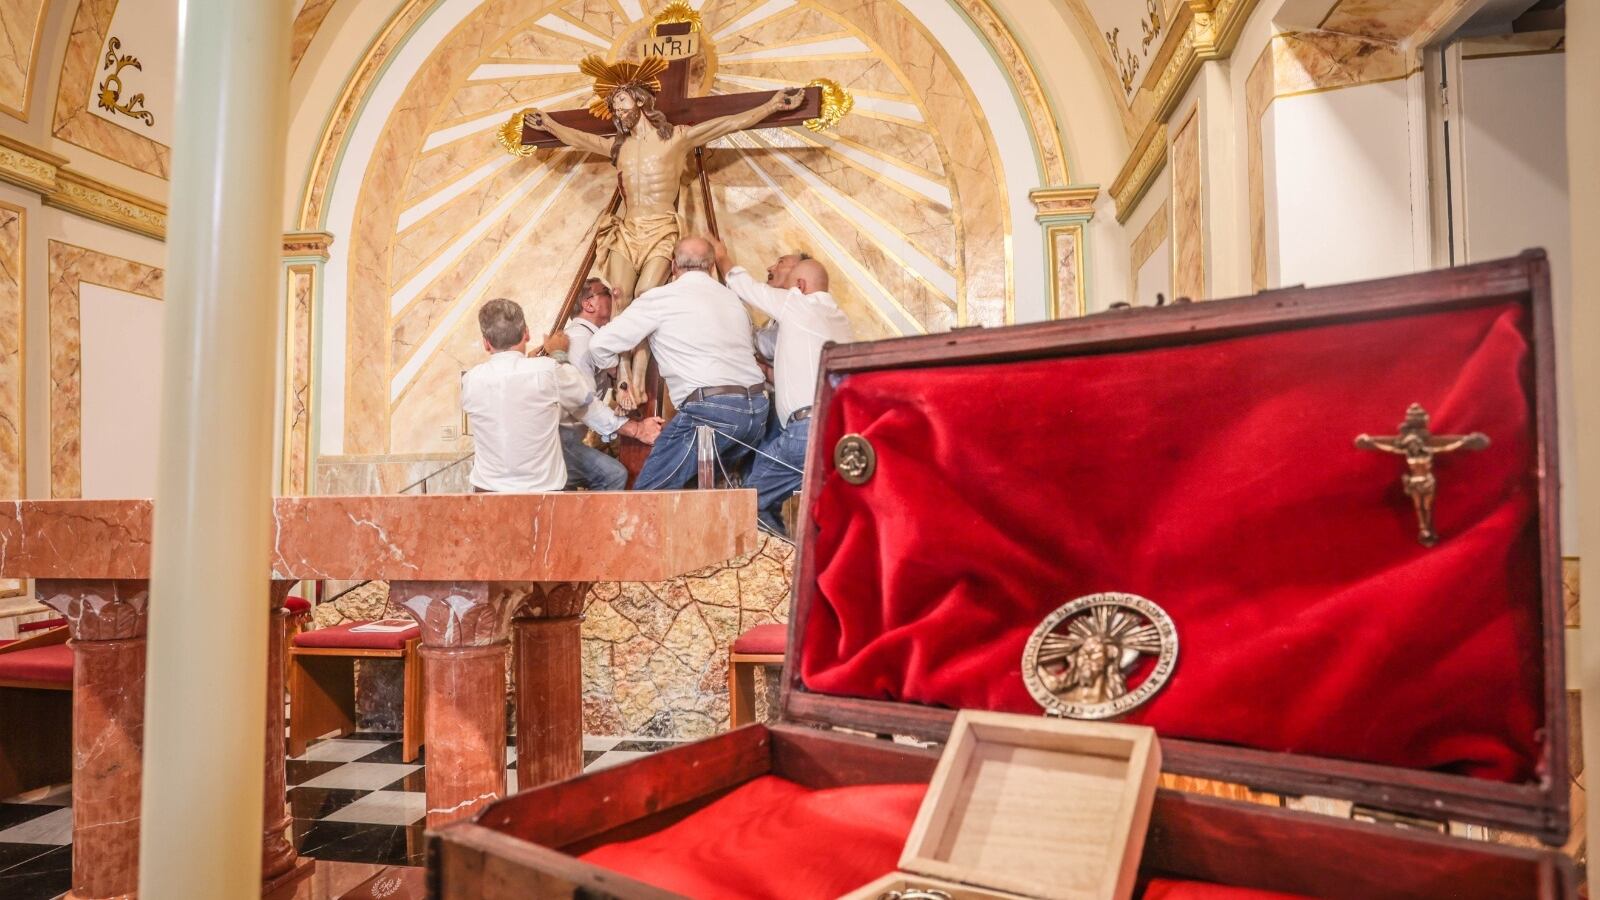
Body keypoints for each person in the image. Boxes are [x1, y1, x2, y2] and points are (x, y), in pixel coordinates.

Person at [589, 237, 769, 490]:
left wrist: (617, 375)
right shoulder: (733, 300)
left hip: (711, 414)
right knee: (705, 499)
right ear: (711, 267)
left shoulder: (661, 299)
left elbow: (599, 344)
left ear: (673, 266)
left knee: (648, 498)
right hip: (757, 413)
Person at [713, 240, 852, 534]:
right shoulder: (840, 319)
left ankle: (784, 568)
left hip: (806, 431)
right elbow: (805, 375)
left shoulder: (798, 303)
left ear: (800, 285)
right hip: (842, 428)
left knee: (750, 501)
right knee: (826, 513)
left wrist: (722, 256)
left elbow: (743, 284)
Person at [461, 298, 593, 493]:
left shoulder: (471, 380)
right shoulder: (547, 370)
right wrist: (558, 355)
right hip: (544, 494)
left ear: (486, 343)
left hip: (488, 493)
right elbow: (584, 395)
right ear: (526, 333)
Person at [560, 278, 662, 490]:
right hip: (557, 442)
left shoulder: (591, 339)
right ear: (589, 304)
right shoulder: (579, 340)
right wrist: (636, 430)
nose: (615, 294)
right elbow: (583, 402)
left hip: (568, 440)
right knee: (613, 475)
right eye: (607, 292)